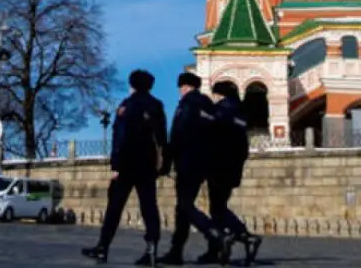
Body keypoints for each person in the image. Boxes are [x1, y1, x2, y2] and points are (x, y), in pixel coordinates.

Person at [82, 69, 168, 266]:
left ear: (132, 85)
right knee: (149, 207)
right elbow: (162, 138)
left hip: (128, 164)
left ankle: (103, 246)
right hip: (148, 164)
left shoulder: (127, 105)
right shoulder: (157, 105)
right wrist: (162, 164)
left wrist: (116, 166)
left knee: (115, 207)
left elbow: (120, 138)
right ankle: (152, 247)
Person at [159, 72, 216, 265]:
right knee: (184, 207)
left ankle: (214, 234)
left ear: (184, 86)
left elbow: (178, 135)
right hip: (203, 162)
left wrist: (166, 163)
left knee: (184, 206)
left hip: (187, 161)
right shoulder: (207, 104)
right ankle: (177, 251)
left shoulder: (186, 105)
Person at [207, 81, 261, 265]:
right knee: (219, 205)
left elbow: (212, 137)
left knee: (217, 207)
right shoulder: (241, 112)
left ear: (218, 94)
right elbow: (243, 146)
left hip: (218, 165)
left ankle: (241, 236)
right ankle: (223, 245)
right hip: (233, 167)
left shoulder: (219, 111)